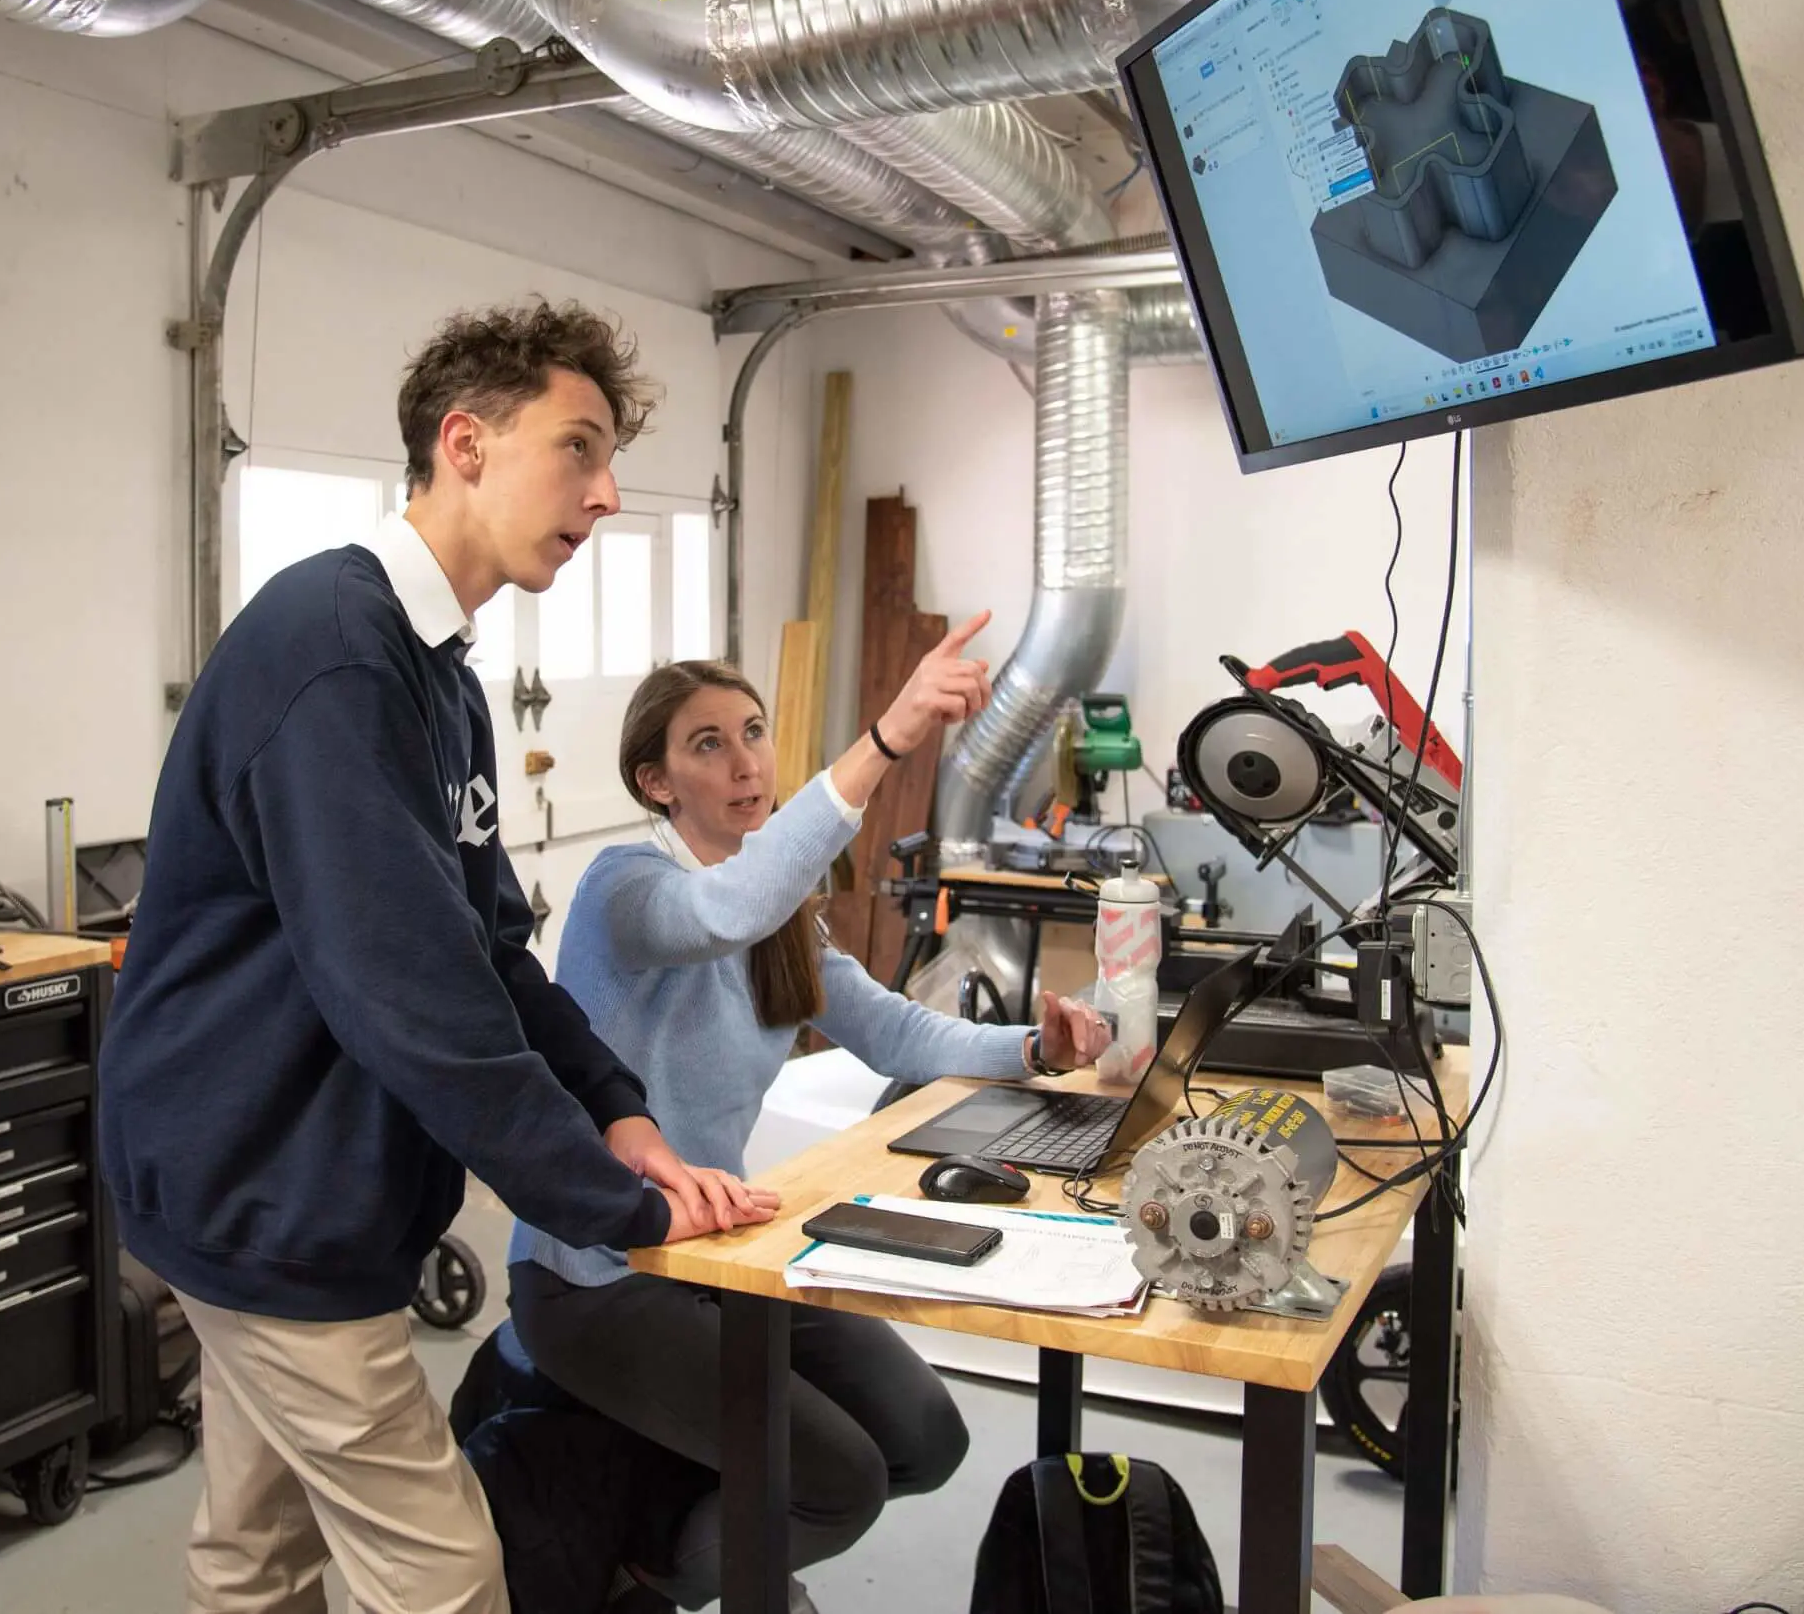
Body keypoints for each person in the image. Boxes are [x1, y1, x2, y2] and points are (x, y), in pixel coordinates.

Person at [100, 300, 775, 1614]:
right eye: (577, 450)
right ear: (464, 443)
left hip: (281, 1190)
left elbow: (493, 952)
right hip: (260, 1184)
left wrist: (618, 1116)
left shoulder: (439, 680)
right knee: (446, 1574)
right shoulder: (335, 656)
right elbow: (414, 999)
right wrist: (608, 1204)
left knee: (257, 1550)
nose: (607, 491)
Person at [505, 623, 1114, 1612]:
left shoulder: (783, 917)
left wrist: (1039, 1049)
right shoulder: (626, 890)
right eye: (707, 743)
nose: (746, 762)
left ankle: (702, 1521)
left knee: (927, 1437)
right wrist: (889, 735)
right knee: (839, 1481)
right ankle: (639, 1580)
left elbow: (899, 1032)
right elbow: (720, 913)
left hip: (720, 1247)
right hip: (599, 1275)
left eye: (752, 731)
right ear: (654, 782)